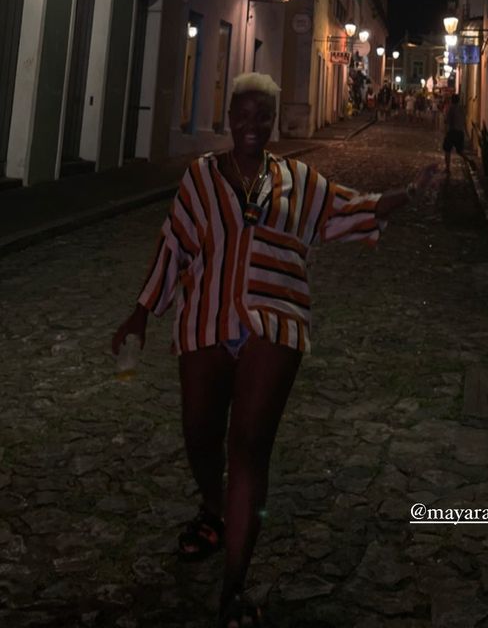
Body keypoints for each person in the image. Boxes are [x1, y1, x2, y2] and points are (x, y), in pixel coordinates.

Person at [112, 73, 437, 628]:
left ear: (273, 120)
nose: (252, 126)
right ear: (230, 116)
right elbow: (175, 245)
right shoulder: (200, 179)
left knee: (250, 447)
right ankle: (212, 509)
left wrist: (406, 195)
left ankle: (233, 591)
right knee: (199, 433)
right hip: (206, 318)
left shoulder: (299, 180)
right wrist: (142, 312)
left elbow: (345, 211)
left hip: (276, 320)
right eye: (243, 115)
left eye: (263, 116)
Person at [443, 93, 466, 174]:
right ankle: (468, 161)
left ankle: (447, 168)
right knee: (460, 151)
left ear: (452, 100)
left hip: (452, 131)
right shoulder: (461, 109)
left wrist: (446, 131)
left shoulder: (451, 108)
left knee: (447, 150)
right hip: (460, 132)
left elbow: (447, 120)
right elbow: (464, 120)